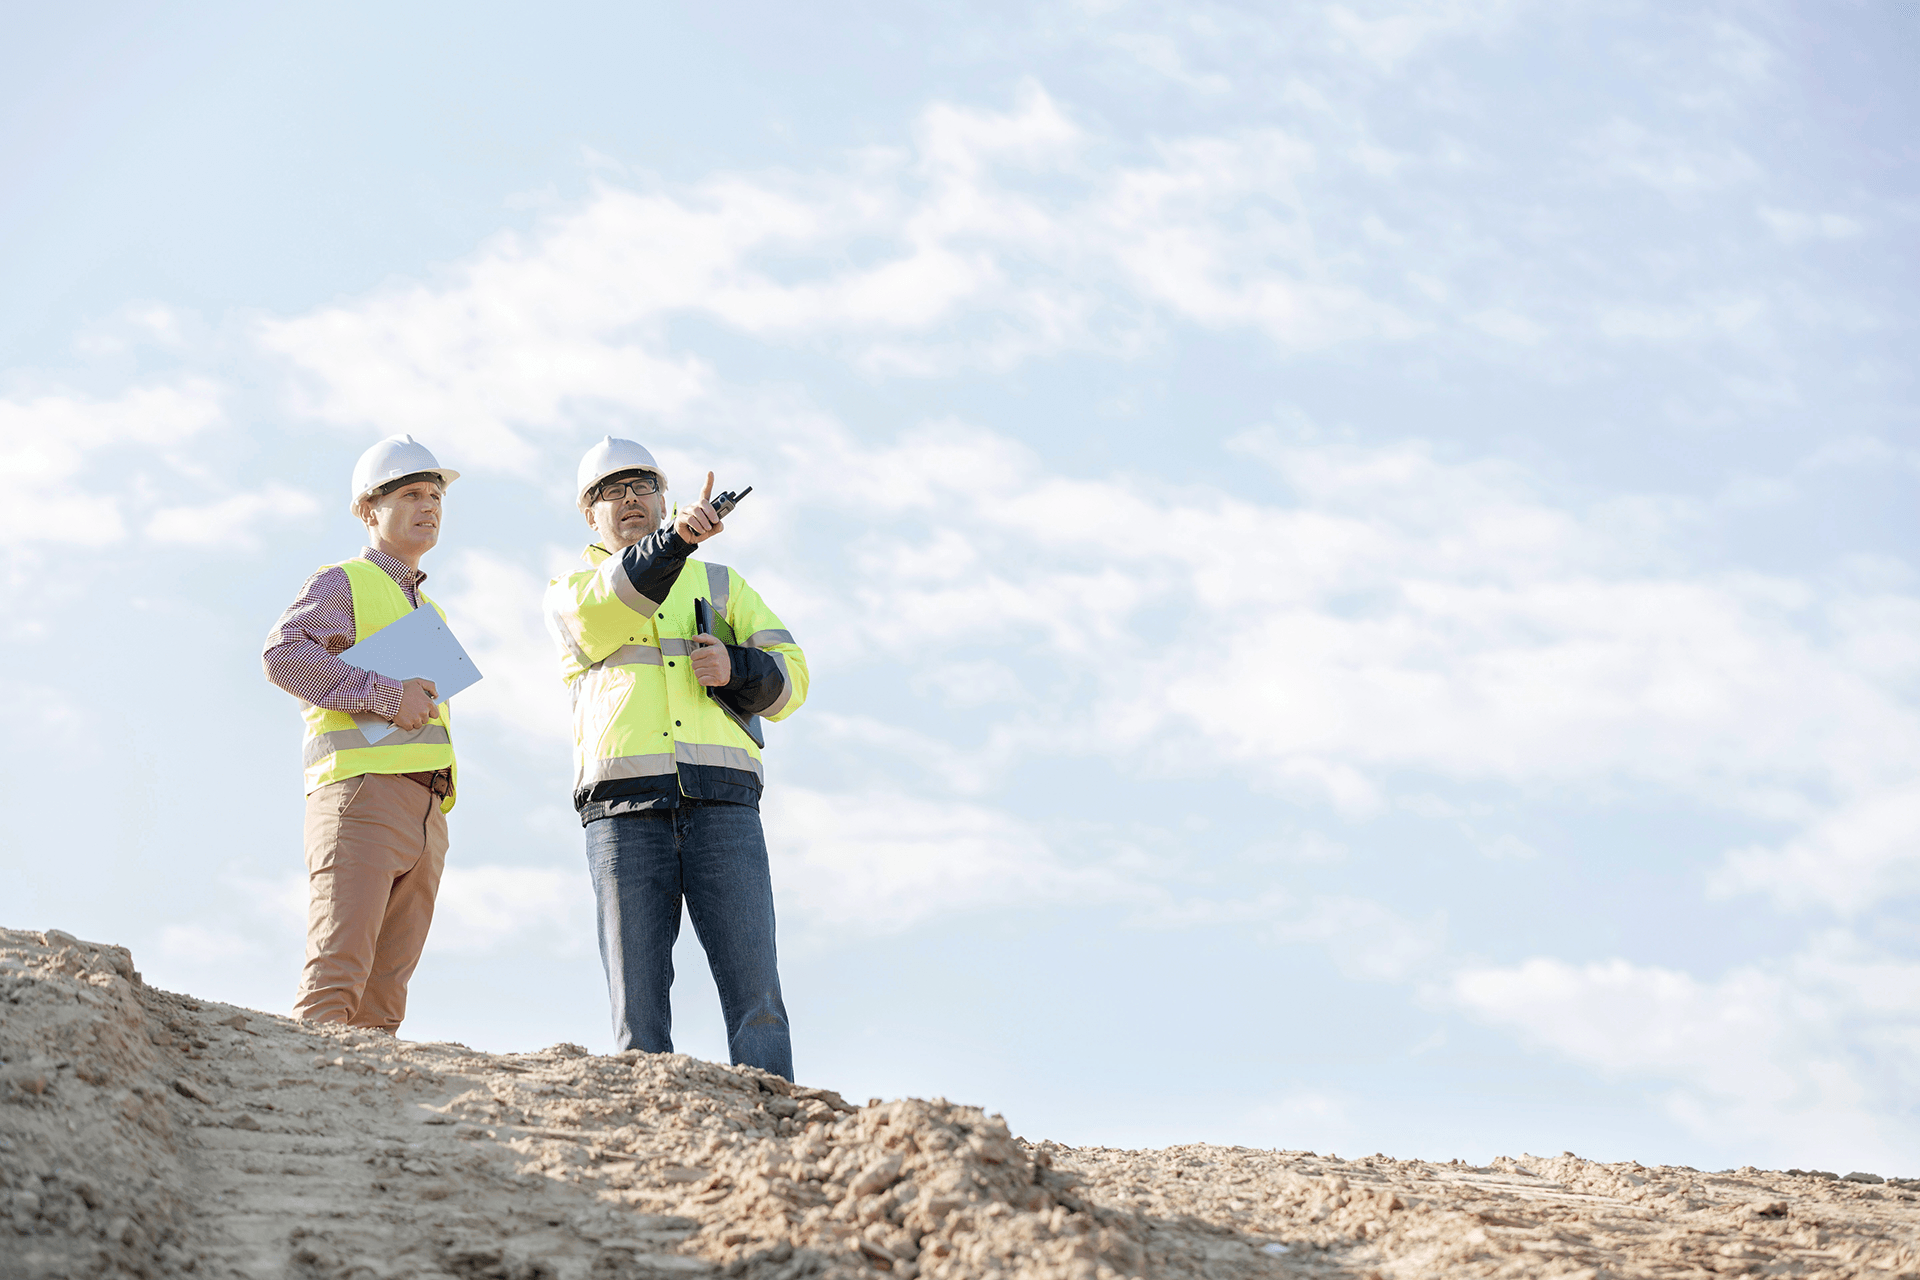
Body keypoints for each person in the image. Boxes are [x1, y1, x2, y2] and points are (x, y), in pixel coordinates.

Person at [544, 436, 809, 1078]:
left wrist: (737, 668)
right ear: (589, 512)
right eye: (613, 490)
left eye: (643, 487)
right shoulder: (575, 589)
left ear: (664, 498)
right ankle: (647, 1133)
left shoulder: (723, 584)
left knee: (759, 999)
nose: (630, 499)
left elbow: (793, 680)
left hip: (722, 804)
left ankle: (779, 1123)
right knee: (639, 1010)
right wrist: (678, 542)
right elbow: (622, 597)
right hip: (624, 811)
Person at [262, 434, 461, 1034]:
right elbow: (283, 655)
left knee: (383, 1004)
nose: (429, 505)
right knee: (335, 983)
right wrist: (384, 694)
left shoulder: (432, 613)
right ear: (368, 509)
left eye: (435, 495)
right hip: (360, 797)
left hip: (425, 814)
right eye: (411, 493)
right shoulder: (343, 581)